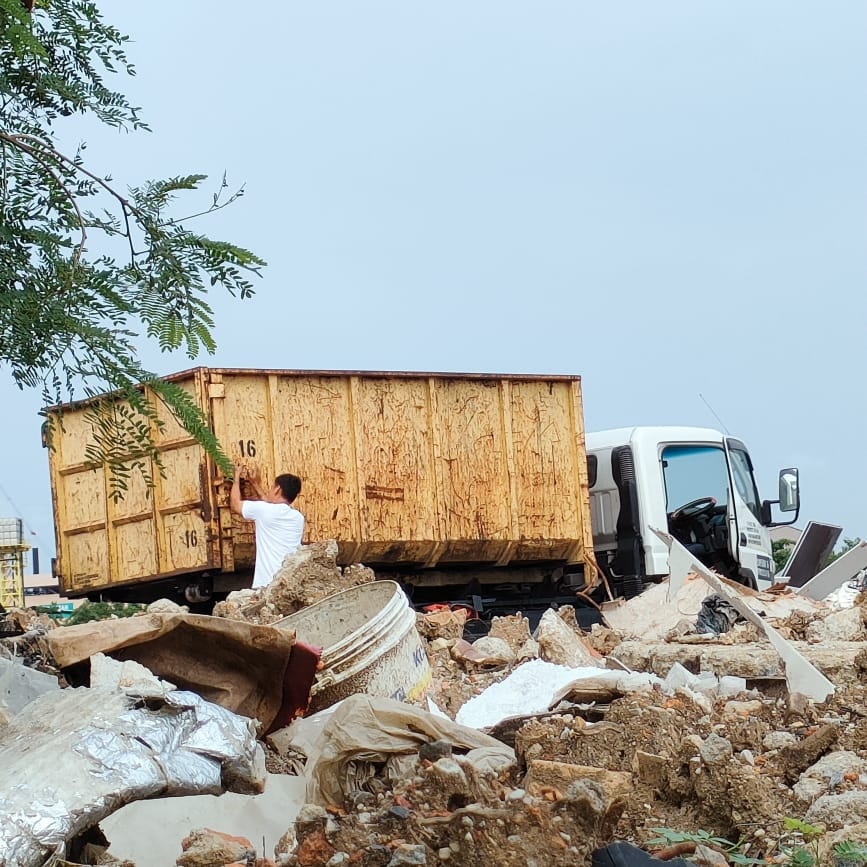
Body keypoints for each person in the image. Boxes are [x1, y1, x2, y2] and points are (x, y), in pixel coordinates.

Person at [230, 463, 304, 589]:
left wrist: (236, 478)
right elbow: (271, 507)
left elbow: (236, 505)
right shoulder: (298, 518)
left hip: (265, 585)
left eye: (271, 487)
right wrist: (255, 485)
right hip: (288, 585)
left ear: (277, 489)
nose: (269, 490)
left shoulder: (264, 511)